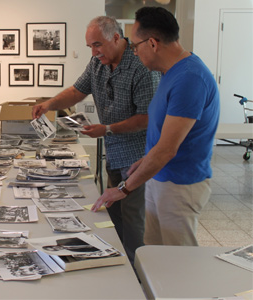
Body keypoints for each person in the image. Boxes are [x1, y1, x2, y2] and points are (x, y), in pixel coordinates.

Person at [32, 16, 159, 263]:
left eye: (97, 45)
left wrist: (107, 129)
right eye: (90, 46)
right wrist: (49, 104)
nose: (93, 52)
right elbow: (76, 91)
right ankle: (119, 263)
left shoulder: (140, 66)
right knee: (114, 215)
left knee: (133, 221)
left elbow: (146, 118)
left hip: (137, 158)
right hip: (114, 154)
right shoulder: (97, 63)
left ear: (116, 38)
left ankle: (135, 273)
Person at [93, 7, 220, 246]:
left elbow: (167, 149)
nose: (134, 52)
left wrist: (123, 189)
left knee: (176, 259)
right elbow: (164, 134)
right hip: (159, 178)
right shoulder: (169, 73)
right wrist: (145, 160)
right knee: (154, 252)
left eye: (135, 46)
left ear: (152, 43)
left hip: (179, 185)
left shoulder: (189, 78)